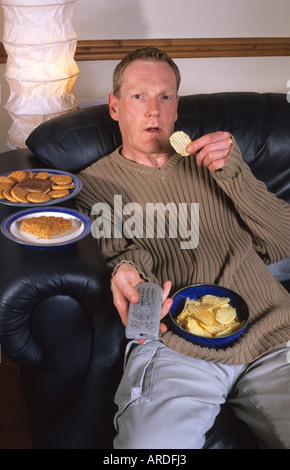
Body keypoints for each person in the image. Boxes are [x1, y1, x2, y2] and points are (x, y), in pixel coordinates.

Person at [75, 47, 290, 449]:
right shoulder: (94, 184)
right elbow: (120, 252)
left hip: (273, 327)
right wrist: (126, 273)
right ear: (115, 106)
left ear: (177, 109)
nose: (153, 111)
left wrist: (236, 176)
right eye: (139, 96)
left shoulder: (215, 161)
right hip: (177, 342)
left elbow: (283, 240)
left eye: (165, 97)